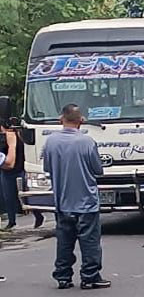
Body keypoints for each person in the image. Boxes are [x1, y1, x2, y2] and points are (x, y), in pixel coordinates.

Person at [43, 104, 110, 289]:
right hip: (86, 201)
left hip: (62, 201)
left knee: (64, 241)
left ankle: (63, 277)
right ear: (81, 120)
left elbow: (47, 168)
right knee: (89, 242)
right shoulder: (87, 142)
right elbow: (98, 170)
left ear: (60, 119)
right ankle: (90, 277)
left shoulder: (50, 142)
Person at [1, 121, 45, 230]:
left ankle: (38, 215)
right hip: (8, 172)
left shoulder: (19, 135)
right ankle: (12, 221)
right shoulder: (4, 139)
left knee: (27, 196)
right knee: (9, 197)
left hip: (21, 169)